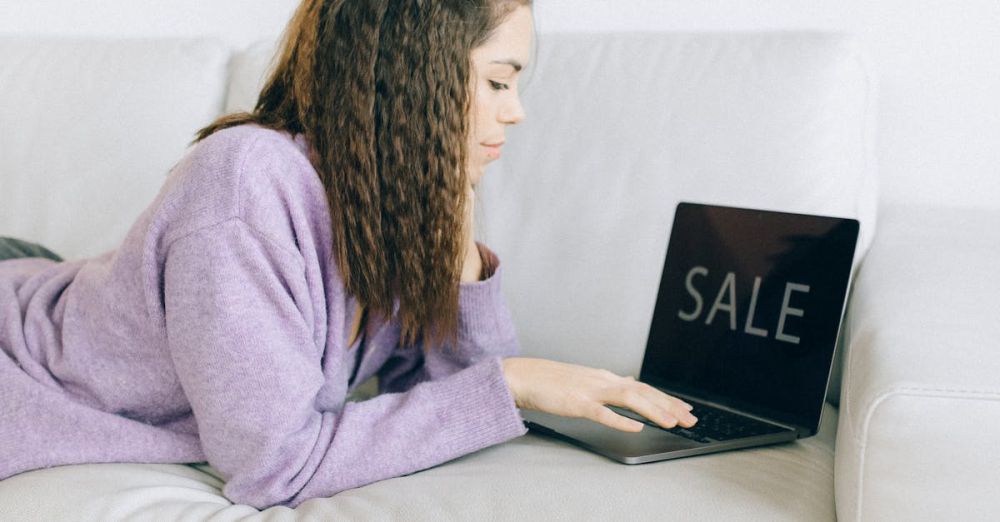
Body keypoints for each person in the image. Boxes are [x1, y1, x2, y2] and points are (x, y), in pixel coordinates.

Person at [0, 0, 696, 510]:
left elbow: (458, 386)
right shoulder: (245, 186)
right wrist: (510, 384)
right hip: (21, 343)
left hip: (65, 282)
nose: (515, 112)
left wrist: (454, 230)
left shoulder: (380, 198)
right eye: (496, 81)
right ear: (417, 77)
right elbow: (274, 468)